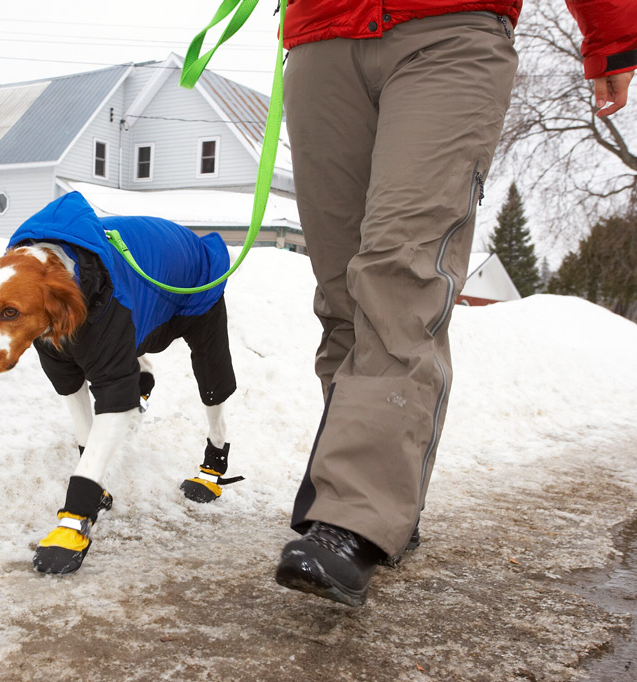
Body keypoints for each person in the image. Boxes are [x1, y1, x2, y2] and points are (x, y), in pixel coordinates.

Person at [273, 0, 636, 607]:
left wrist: (611, 34)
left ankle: (357, 514)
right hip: (322, 38)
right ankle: (377, 497)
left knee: (399, 271)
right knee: (341, 292)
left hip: (449, 32)